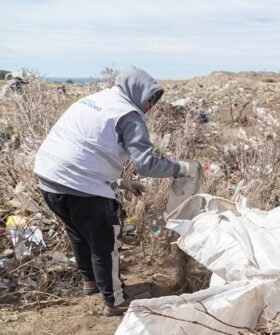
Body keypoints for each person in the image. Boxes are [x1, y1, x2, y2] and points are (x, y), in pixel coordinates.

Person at [34, 66, 199, 316]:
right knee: (105, 244)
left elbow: (86, 146)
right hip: (82, 187)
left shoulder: (93, 100)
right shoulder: (129, 116)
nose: (149, 107)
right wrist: (178, 168)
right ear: (138, 93)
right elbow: (146, 165)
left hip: (49, 178)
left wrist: (117, 181)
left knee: (78, 233)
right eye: (149, 100)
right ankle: (115, 301)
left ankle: (90, 283)